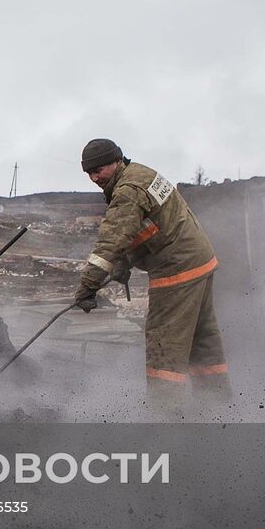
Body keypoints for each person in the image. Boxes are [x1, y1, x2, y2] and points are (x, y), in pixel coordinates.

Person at [74, 138, 232, 410]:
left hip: (177, 270)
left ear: (116, 160)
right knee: (202, 341)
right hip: (199, 262)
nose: (94, 177)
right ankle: (218, 408)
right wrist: (123, 264)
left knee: (164, 343)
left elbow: (110, 241)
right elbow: (143, 228)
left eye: (98, 170)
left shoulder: (128, 190)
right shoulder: (141, 175)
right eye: (89, 173)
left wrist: (88, 286)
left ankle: (164, 419)